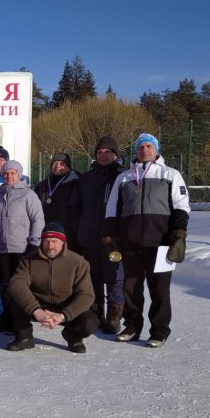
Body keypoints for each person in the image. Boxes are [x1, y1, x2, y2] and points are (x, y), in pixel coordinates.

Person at [104, 133, 190, 348]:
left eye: (148, 146)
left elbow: (181, 206)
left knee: (159, 290)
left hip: (160, 243)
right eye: (141, 147)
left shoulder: (170, 174)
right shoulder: (124, 178)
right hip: (130, 242)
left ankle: (159, 331)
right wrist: (112, 237)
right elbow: (112, 209)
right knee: (131, 289)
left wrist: (178, 235)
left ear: (156, 149)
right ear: (136, 151)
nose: (144, 150)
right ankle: (132, 327)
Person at [6, 223, 99, 353]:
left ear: (63, 242)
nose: (50, 246)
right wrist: (36, 310)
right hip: (39, 303)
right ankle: (24, 338)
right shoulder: (28, 260)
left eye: (54, 241)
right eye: (46, 241)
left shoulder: (79, 263)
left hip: (65, 304)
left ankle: (73, 337)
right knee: (17, 298)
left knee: (90, 322)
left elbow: (86, 295)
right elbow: (16, 283)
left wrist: (63, 316)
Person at [70, 136, 127, 334]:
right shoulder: (86, 178)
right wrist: (81, 226)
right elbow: (75, 206)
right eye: (99, 152)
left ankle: (114, 316)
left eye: (107, 152)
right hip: (90, 238)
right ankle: (96, 314)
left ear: (116, 155)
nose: (103, 155)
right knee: (93, 279)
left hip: (113, 241)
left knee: (115, 278)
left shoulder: (123, 176)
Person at [0, 160, 44, 334]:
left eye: (12, 173)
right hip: (1, 248)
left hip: (21, 247)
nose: (9, 176)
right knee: (5, 285)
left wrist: (35, 242)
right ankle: (6, 318)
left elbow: (38, 219)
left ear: (19, 175)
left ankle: (19, 320)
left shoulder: (28, 195)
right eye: (6, 173)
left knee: (19, 285)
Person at [34, 153, 79, 250]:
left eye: (62, 163)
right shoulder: (41, 186)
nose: (57, 166)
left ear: (68, 168)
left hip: (68, 232)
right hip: (46, 230)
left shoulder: (76, 185)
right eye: (55, 163)